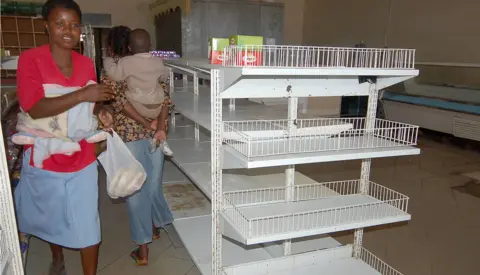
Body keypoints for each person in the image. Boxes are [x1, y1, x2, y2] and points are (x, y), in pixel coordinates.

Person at [13, 0, 115, 275]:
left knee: (88, 223)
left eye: (74, 24)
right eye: (59, 23)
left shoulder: (85, 64)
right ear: (46, 25)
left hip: (81, 156)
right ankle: (57, 257)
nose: (68, 30)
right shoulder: (30, 60)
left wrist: (102, 112)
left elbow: (88, 108)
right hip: (45, 156)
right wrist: (82, 94)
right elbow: (34, 106)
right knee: (50, 218)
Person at [100, 26, 174, 266]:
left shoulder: (114, 72)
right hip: (155, 130)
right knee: (152, 183)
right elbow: (165, 97)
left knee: (135, 188)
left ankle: (143, 249)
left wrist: (148, 124)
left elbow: (119, 103)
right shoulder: (156, 64)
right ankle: (154, 226)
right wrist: (159, 126)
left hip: (130, 135)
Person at [103, 28, 173, 156]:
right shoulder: (157, 61)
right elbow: (164, 85)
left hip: (133, 125)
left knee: (135, 172)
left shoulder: (124, 64)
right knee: (155, 173)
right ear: (150, 45)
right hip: (157, 114)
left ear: (130, 47)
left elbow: (118, 97)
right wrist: (161, 125)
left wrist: (108, 62)